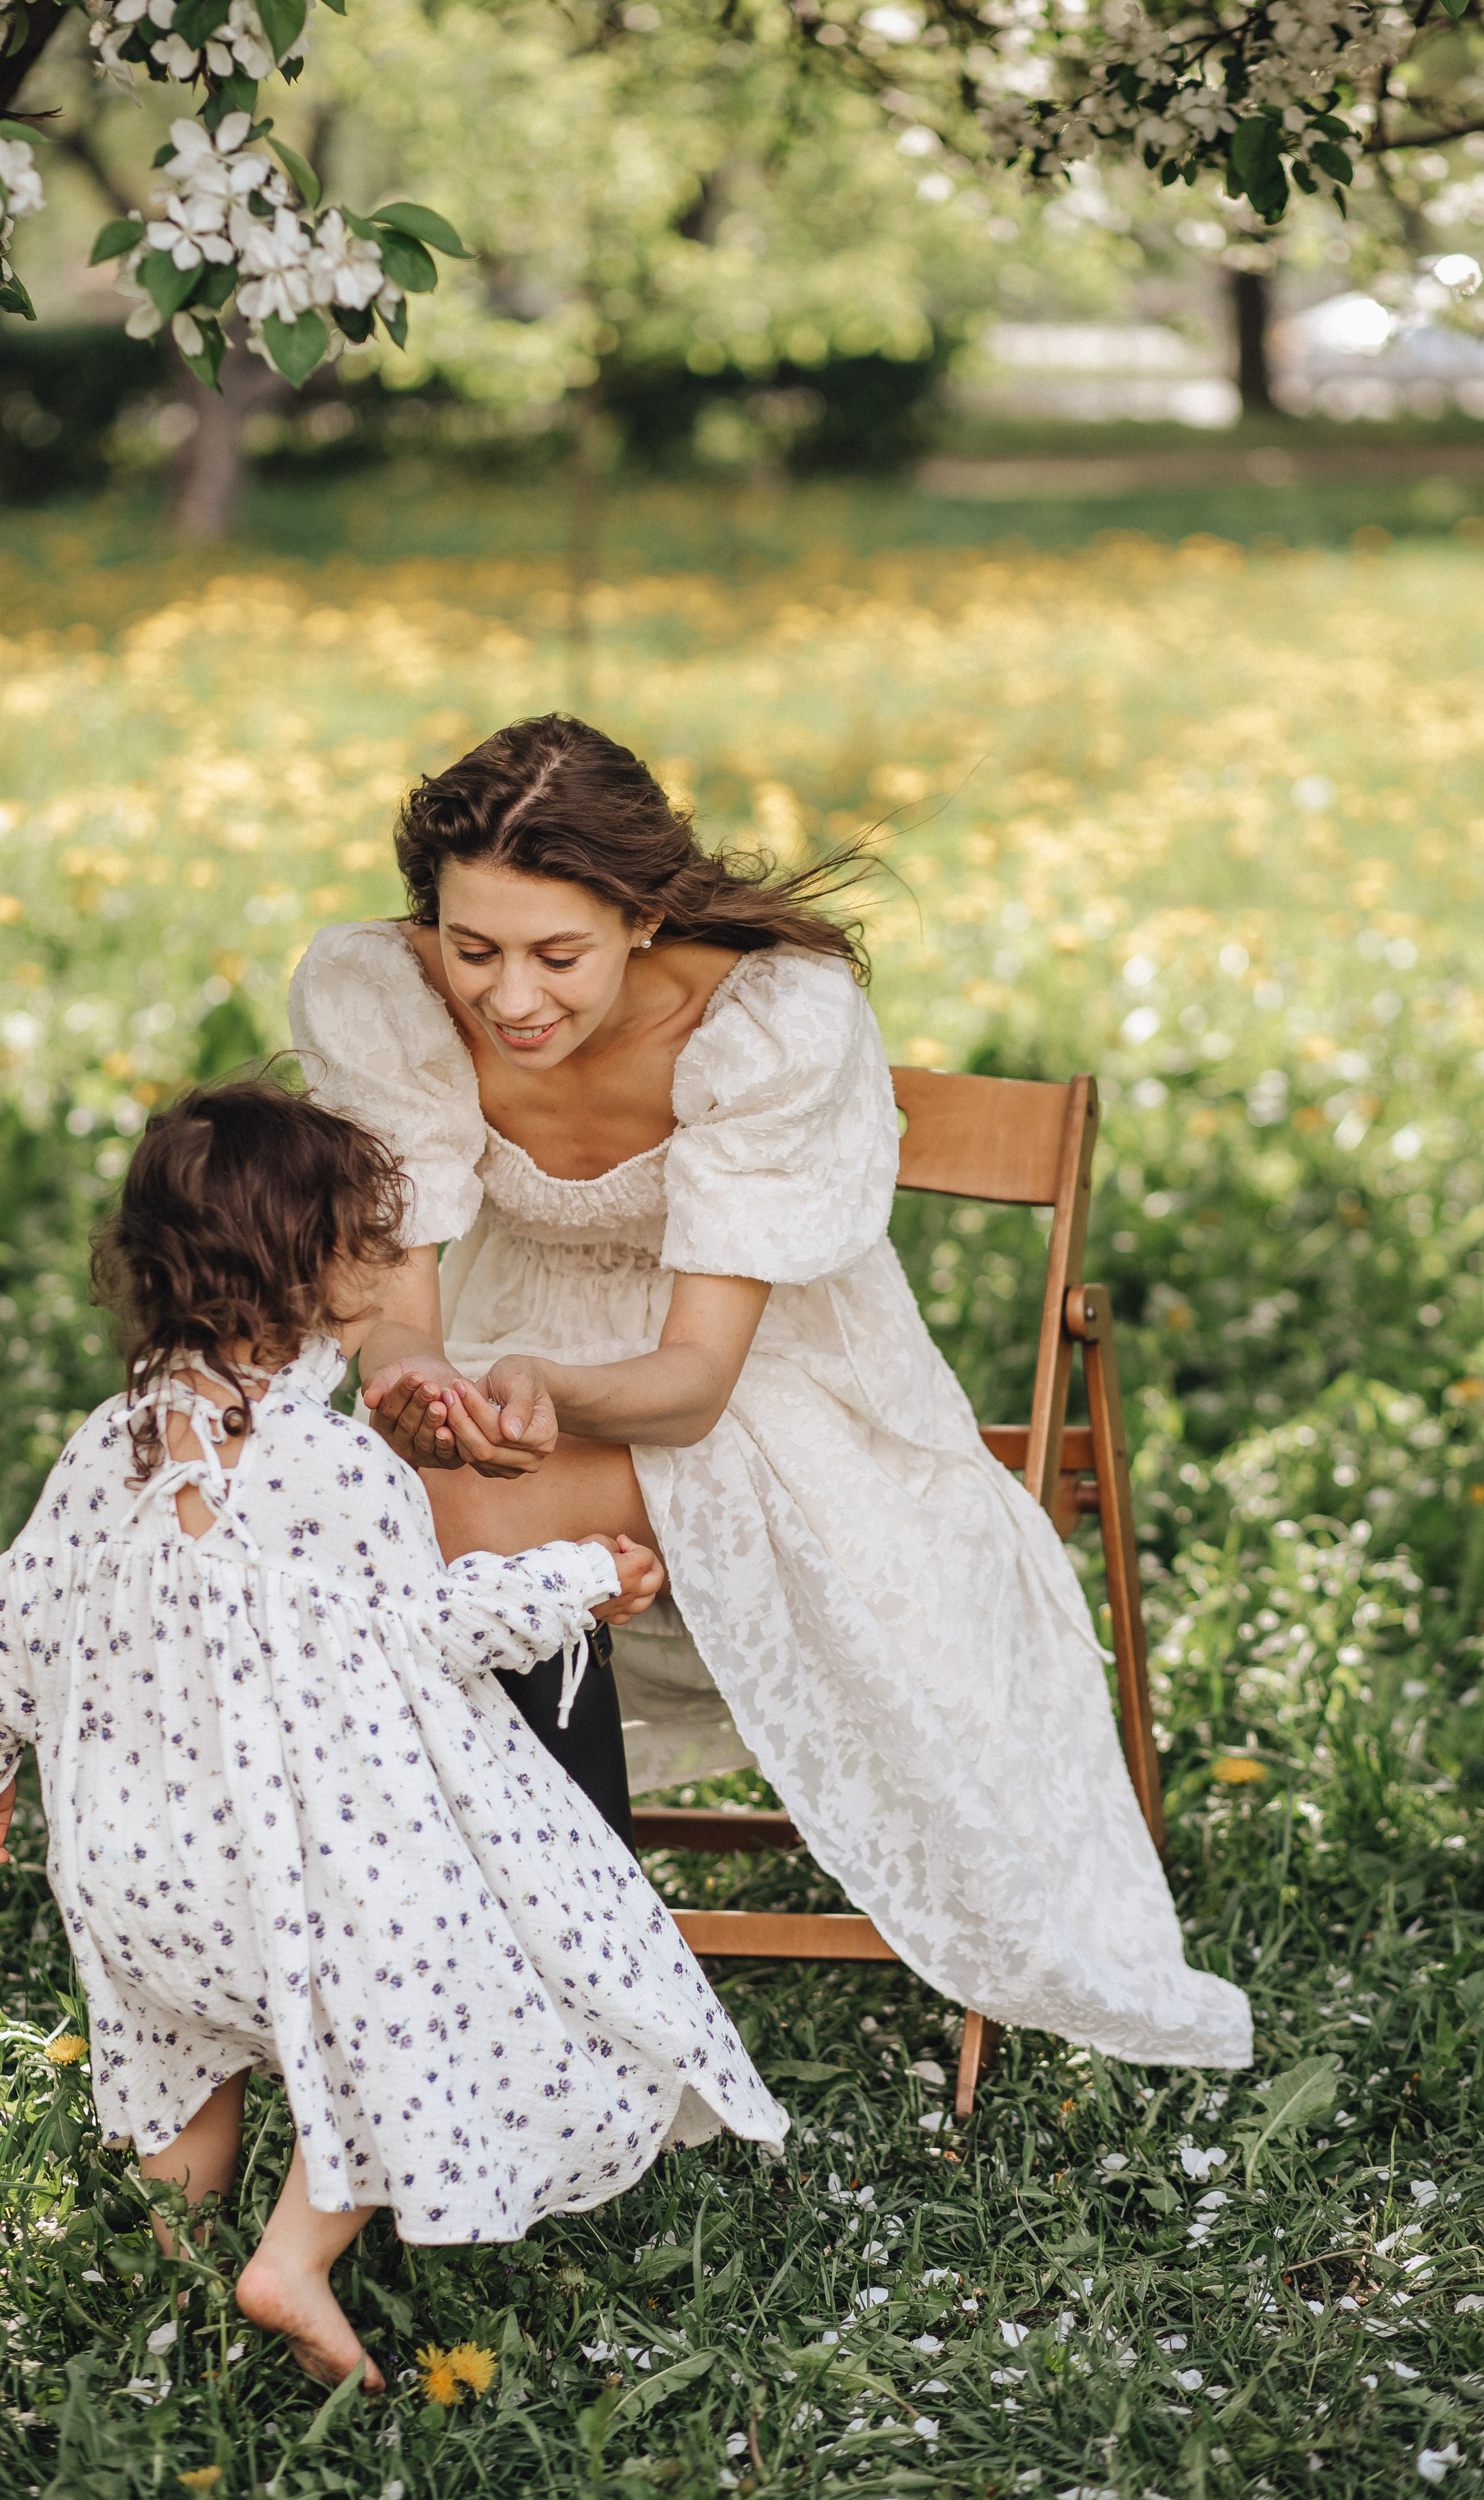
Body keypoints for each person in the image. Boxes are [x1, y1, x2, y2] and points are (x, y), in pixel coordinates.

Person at [288, 714, 1252, 2073]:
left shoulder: (770, 1019)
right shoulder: (382, 997)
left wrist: (535, 1394)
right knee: (361, 1519)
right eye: (472, 948)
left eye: (556, 954)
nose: (508, 998)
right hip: (518, 1353)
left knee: (482, 1533)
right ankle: (481, 1940)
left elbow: (689, 1388)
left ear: (638, 915)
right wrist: (414, 1387)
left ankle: (566, 1975)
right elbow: (399, 1312)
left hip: (758, 1393)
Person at [0, 1079, 787, 2393]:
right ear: (311, 1274)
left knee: (181, 2057)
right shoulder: (332, 1468)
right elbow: (433, 1625)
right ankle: (290, 2259)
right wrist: (583, 1578)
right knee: (420, 2005)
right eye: (370, 1241)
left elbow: (1, 1619)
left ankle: (176, 2278)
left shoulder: (108, 1449)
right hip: (292, 1882)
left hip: (133, 1876)